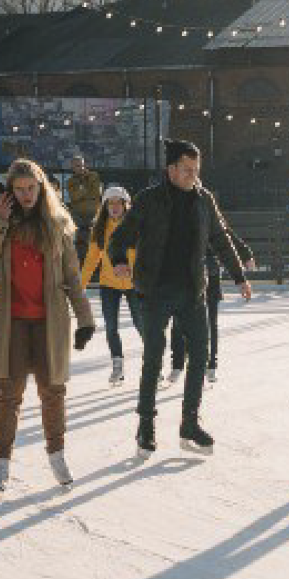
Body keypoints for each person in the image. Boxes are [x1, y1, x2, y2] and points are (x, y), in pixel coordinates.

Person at [107, 139, 251, 458]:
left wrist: (239, 275)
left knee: (200, 354)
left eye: (196, 170)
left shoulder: (204, 200)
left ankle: (189, 422)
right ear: (170, 169)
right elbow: (120, 236)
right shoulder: (148, 200)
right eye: (187, 169)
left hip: (191, 291)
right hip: (155, 291)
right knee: (154, 358)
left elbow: (220, 238)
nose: (192, 175)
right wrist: (119, 260)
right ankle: (146, 425)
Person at [0, 158, 97, 490]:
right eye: (20, 189)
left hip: (49, 323)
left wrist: (85, 319)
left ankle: (57, 457)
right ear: (11, 191)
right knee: (9, 395)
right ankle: (1, 464)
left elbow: (73, 277)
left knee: (53, 392)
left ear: (42, 188)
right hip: (12, 324)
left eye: (32, 188)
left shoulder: (57, 225)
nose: (27, 194)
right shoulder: (0, 222)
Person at [168, 213, 255, 387]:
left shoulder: (207, 211)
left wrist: (245, 255)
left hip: (210, 274)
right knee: (178, 319)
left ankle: (211, 364)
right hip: (183, 275)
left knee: (210, 321)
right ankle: (178, 363)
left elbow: (227, 235)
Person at [80, 185, 143, 386]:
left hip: (135, 284)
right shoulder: (99, 230)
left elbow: (145, 254)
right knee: (111, 326)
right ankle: (117, 365)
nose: (115, 207)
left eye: (118, 203)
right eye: (110, 203)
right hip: (109, 284)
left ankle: (153, 363)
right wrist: (80, 285)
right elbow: (91, 260)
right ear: (105, 206)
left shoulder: (136, 226)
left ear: (126, 205)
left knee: (141, 324)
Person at [65, 155, 103, 228]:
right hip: (78, 214)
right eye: (77, 166)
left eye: (82, 165)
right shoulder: (70, 181)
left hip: (93, 211)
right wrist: (87, 187)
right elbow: (73, 197)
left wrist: (80, 193)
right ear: (72, 168)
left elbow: (97, 193)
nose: (81, 168)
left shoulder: (94, 175)